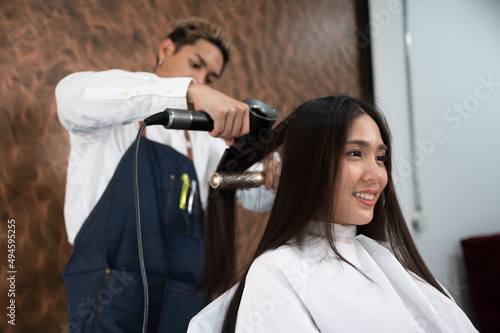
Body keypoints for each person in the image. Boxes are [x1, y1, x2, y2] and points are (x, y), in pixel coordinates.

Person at [56, 18, 278, 332]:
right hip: (111, 296)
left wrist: (266, 177)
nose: (201, 79)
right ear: (166, 49)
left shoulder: (203, 140)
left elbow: (238, 187)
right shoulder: (112, 112)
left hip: (185, 298)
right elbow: (69, 97)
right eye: (195, 64)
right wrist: (190, 92)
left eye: (210, 77)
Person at [188, 95, 478, 332]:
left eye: (380, 157)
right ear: (310, 166)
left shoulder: (393, 263)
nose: (377, 175)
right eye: (355, 153)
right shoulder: (277, 271)